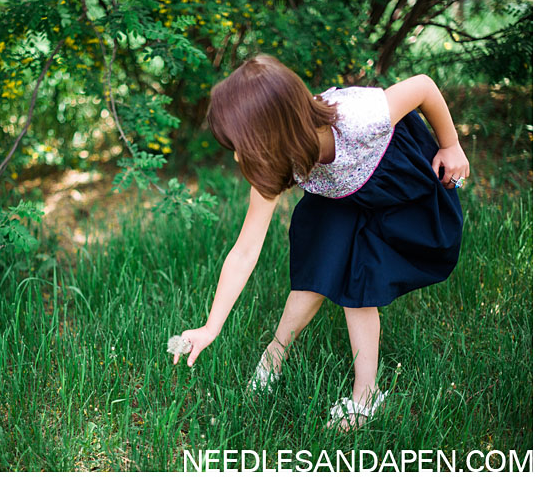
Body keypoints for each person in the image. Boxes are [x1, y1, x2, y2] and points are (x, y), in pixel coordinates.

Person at [170, 54, 468, 431]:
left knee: (360, 281)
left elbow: (423, 85)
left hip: (397, 185)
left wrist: (451, 145)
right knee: (318, 268)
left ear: (273, 133)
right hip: (340, 195)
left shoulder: (358, 118)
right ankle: (273, 358)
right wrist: (211, 327)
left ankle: (366, 396)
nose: (236, 156)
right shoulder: (282, 161)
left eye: (241, 145)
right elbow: (245, 250)